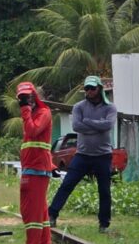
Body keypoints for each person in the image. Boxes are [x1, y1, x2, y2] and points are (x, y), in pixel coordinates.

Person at [48, 75, 117, 233]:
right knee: (67, 185)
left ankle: (104, 224)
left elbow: (108, 125)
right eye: (87, 88)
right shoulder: (79, 107)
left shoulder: (110, 108)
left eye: (92, 88)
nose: (89, 91)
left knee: (104, 190)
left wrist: (88, 122)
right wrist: (97, 126)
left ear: (99, 88)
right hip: (83, 155)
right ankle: (51, 215)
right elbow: (77, 126)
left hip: (103, 155)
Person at [13, 82, 54, 244]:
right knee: (40, 212)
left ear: (35, 96)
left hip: (37, 169)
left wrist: (25, 110)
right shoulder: (33, 114)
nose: (24, 101)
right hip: (33, 167)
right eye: (21, 98)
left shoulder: (43, 113)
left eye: (27, 97)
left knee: (31, 211)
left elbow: (32, 131)